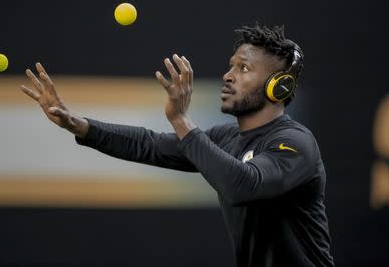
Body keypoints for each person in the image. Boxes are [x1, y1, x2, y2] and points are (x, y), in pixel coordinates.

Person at [20, 23, 335, 267]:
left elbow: (242, 185)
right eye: (231, 65)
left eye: (243, 68)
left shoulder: (296, 143)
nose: (227, 76)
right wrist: (77, 124)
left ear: (279, 86)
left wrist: (181, 120)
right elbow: (151, 145)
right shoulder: (226, 139)